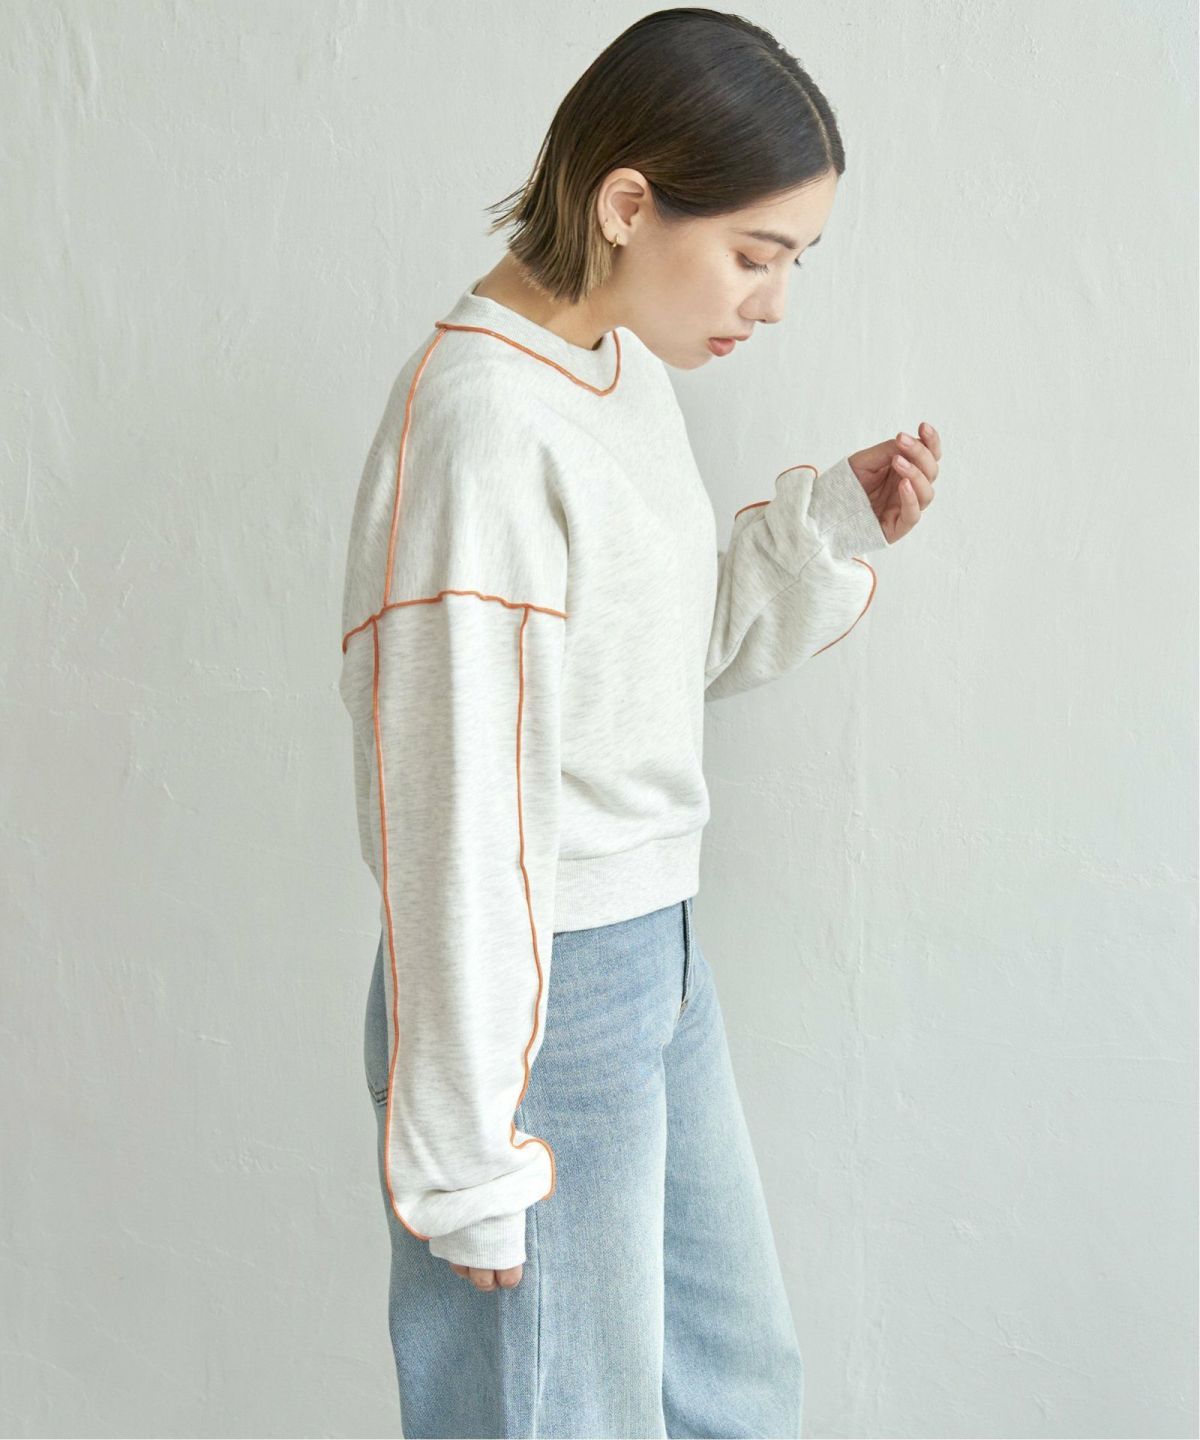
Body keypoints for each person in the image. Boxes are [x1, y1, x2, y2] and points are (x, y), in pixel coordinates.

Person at [338, 7, 940, 1436]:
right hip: (533, 997)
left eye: (794, 262)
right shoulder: (484, 423)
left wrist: (825, 530)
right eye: (755, 254)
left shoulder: (619, 373)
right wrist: (468, 1151)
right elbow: (455, 812)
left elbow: (649, 665)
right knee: (562, 1416)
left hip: (654, 959)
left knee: (735, 1390)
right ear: (626, 205)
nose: (773, 304)